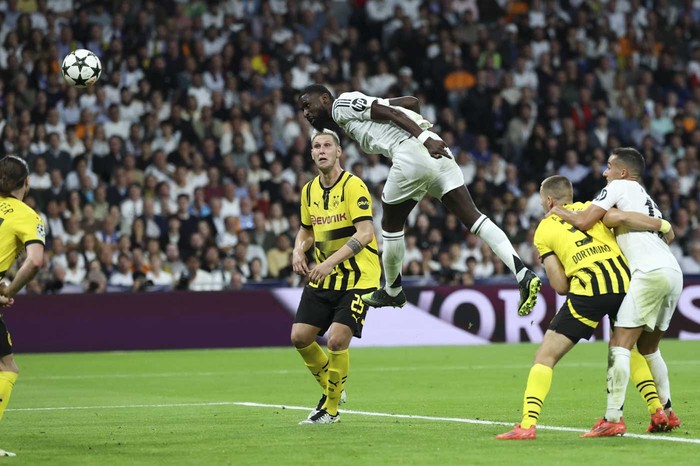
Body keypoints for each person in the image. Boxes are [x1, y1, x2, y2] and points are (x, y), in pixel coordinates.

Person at [298, 84, 540, 316]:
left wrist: (424, 139)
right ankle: (522, 273)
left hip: (414, 152)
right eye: (303, 110)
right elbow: (410, 103)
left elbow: (390, 112)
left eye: (308, 106)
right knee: (475, 219)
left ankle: (393, 290)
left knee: (390, 226)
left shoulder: (341, 105)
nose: (306, 113)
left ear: (325, 99)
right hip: (438, 154)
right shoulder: (352, 111)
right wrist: (423, 135)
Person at [497, 176, 669, 440]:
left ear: (550, 200)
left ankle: (527, 425)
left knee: (545, 356)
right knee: (624, 348)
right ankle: (657, 411)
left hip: (589, 289)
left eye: (543, 199)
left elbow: (560, 285)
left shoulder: (544, 229)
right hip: (625, 284)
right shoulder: (594, 210)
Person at [550, 148, 682, 436]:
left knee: (620, 344)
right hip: (672, 271)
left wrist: (557, 210)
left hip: (648, 273)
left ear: (623, 172)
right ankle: (668, 413)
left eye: (609, 167)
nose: (604, 172)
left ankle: (612, 418)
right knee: (648, 348)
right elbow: (663, 233)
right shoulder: (645, 199)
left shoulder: (618, 187)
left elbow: (585, 221)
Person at [290, 129, 381, 424]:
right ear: (312, 154)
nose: (321, 150)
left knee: (337, 341)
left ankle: (330, 410)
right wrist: (297, 250)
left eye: (327, 145)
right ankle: (334, 385)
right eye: (316, 146)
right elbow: (306, 230)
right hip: (325, 275)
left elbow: (366, 233)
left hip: (359, 278)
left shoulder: (354, 186)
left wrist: (329, 261)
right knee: (300, 337)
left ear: (339, 152)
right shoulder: (308, 190)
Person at [0, 156, 46, 457]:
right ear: (25, 183)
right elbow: (35, 262)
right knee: (6, 366)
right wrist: (9, 291)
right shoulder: (27, 216)